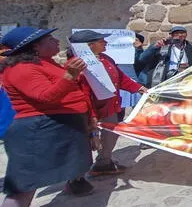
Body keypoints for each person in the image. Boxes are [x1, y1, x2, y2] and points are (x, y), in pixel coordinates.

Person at [0, 27, 95, 205]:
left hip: (58, 125)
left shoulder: (45, 62)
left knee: (72, 164)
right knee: (25, 184)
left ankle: (75, 184)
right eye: (50, 39)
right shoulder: (21, 68)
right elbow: (45, 97)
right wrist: (69, 75)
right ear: (35, 46)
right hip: (38, 130)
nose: (57, 41)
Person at [69, 30, 148, 177]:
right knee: (88, 140)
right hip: (91, 109)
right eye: (101, 41)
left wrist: (138, 88)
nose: (105, 43)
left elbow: (120, 77)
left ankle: (103, 162)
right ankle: (77, 177)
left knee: (111, 134)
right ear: (90, 45)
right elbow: (82, 92)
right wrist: (92, 116)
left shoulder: (105, 58)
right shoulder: (76, 65)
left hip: (110, 106)